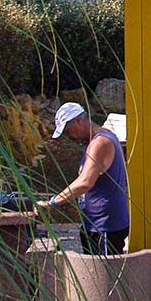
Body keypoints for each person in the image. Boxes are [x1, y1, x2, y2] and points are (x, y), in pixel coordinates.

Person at [37, 102, 130, 255]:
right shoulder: (97, 140)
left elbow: (85, 183)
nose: (69, 136)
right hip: (96, 224)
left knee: (104, 277)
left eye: (68, 131)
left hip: (105, 226)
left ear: (79, 120)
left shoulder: (100, 143)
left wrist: (52, 202)